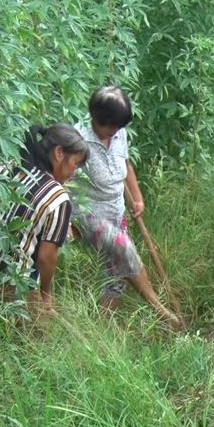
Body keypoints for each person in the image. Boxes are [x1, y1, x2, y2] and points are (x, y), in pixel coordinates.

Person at [72, 86, 181, 327]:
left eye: (119, 128)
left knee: (116, 277)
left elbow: (126, 166)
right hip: (88, 213)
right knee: (124, 248)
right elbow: (62, 177)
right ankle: (162, 313)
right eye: (110, 127)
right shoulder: (77, 140)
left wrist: (138, 198)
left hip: (115, 210)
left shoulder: (119, 134)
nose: (115, 133)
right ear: (96, 119)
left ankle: (102, 332)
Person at [0, 124, 89, 312]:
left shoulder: (8, 170)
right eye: (75, 164)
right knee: (36, 336)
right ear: (59, 153)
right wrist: (45, 295)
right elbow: (46, 257)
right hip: (16, 286)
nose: (74, 172)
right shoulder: (57, 198)